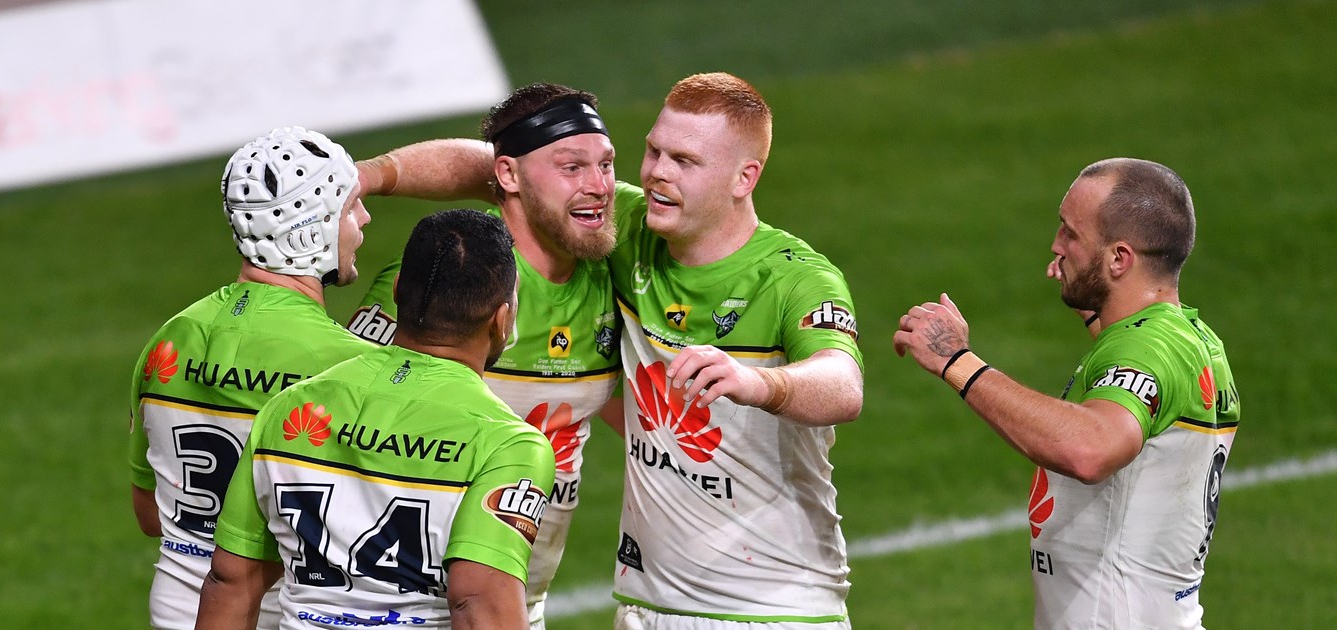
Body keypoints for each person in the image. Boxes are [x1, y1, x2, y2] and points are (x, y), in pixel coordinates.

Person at [357, 72, 866, 628]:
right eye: (652, 152)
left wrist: (761, 383)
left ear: (745, 177)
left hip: (773, 607)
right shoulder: (623, 228)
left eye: (685, 161)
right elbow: (498, 164)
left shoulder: (794, 279)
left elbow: (842, 383)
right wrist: (363, 178)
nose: (656, 175)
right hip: (641, 606)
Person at [892, 158, 1242, 629]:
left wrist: (955, 360)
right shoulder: (1191, 339)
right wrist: (1097, 305)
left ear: (1119, 259)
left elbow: (1090, 449)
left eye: (1071, 234)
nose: (1056, 246)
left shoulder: (1149, 346)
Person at [344, 82, 622, 628]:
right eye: (572, 167)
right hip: (398, 608)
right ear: (509, 177)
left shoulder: (614, 252)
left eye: (608, 165)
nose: (599, 186)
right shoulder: (453, 277)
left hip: (515, 608)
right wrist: (368, 175)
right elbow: (337, 407)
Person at [195, 209, 555, 630]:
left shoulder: (290, 408)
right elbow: (479, 603)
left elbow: (231, 580)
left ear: (399, 290)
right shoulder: (506, 445)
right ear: (502, 318)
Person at [127, 127, 377, 630]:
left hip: (177, 611)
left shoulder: (170, 340)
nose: (364, 219)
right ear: (312, 231)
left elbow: (150, 513)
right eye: (350, 208)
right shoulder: (348, 367)